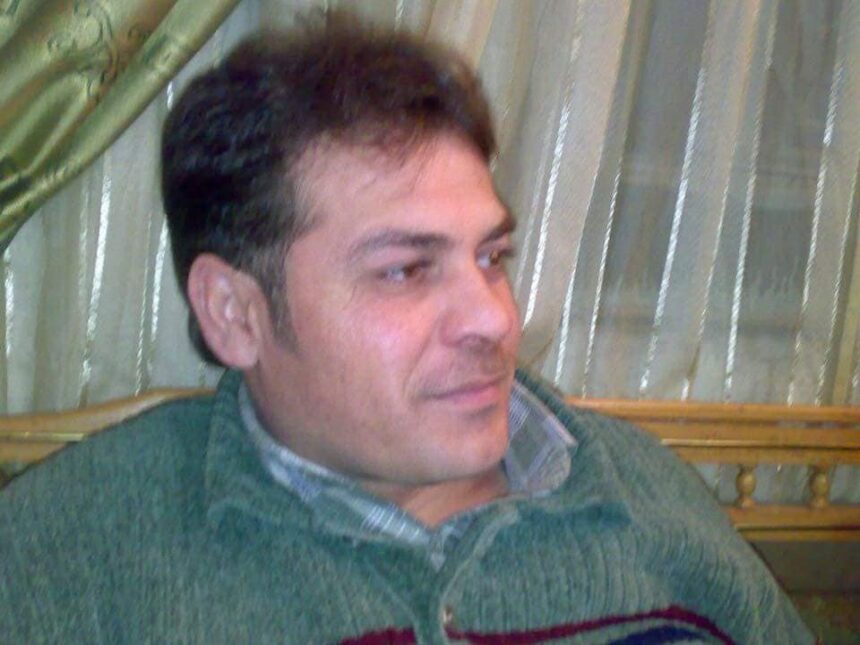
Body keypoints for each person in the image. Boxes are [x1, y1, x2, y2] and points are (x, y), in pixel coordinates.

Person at [0, 15, 813, 644]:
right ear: (235, 313)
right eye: (405, 270)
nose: (494, 318)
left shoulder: (650, 495)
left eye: (491, 256)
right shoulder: (65, 551)